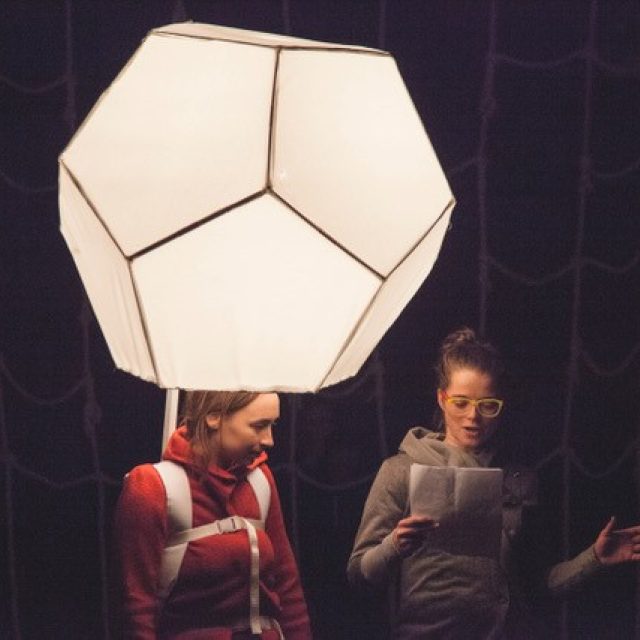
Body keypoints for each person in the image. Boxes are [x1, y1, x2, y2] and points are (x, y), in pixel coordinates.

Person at [347, 328, 640, 639]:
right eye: (461, 402)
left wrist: (594, 558)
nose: (473, 416)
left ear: (501, 405)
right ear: (442, 399)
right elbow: (358, 575)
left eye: (487, 405)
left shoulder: (518, 478)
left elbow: (535, 585)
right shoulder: (402, 470)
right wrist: (393, 546)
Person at [115, 390, 312, 639]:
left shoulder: (260, 481)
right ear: (213, 417)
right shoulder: (152, 486)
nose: (269, 440)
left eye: (272, 425)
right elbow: (137, 604)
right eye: (259, 426)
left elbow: (287, 585)